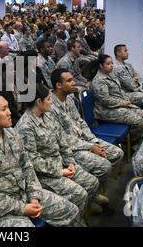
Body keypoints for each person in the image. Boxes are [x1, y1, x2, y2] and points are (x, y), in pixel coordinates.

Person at [0, 92, 80, 227]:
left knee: (71, 210)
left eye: (8, 107)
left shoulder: (12, 133)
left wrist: (34, 197)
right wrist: (22, 208)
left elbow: (27, 166)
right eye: (3, 109)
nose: (9, 113)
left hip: (25, 195)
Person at [16, 83, 101, 217]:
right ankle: (79, 218)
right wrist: (60, 171)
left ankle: (86, 207)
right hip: (45, 174)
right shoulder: (25, 127)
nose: (51, 102)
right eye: (49, 99)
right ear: (39, 102)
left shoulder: (48, 115)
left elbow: (62, 141)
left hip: (62, 163)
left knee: (92, 182)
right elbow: (33, 162)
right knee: (80, 194)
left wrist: (70, 162)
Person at [50, 69, 124, 189]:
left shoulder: (69, 99)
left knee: (117, 153)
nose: (74, 83)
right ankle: (92, 190)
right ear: (58, 85)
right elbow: (63, 139)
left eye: (73, 79)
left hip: (84, 140)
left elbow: (80, 122)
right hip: (70, 148)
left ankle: (97, 188)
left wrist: (94, 141)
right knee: (105, 166)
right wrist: (90, 147)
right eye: (69, 81)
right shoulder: (50, 107)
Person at [92, 54, 143, 145]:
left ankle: (140, 144)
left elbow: (118, 90)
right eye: (108, 64)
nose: (111, 65)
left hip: (117, 106)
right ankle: (131, 144)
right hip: (105, 111)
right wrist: (123, 102)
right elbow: (106, 100)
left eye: (112, 63)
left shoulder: (110, 75)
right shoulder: (99, 80)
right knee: (138, 120)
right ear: (101, 66)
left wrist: (124, 97)